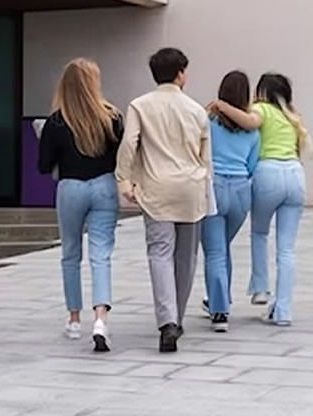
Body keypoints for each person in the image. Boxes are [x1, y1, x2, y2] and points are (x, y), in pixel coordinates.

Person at [116, 48, 212, 353]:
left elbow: (129, 143)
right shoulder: (197, 110)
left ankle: (167, 320)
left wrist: (124, 179)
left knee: (159, 253)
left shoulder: (140, 106)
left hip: (156, 187)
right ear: (181, 73)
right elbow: (205, 157)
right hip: (191, 188)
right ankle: (177, 319)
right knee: (186, 258)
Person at [37, 58, 123, 352]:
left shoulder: (56, 121)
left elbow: (42, 166)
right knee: (101, 255)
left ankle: (74, 318)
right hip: (105, 186)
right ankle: (101, 319)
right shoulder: (112, 117)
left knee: (71, 253)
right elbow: (121, 156)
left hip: (70, 186)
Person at [211, 72, 310, 326]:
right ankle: (284, 311)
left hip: (268, 172)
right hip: (296, 174)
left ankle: (260, 287)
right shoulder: (292, 116)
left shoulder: (261, 109)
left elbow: (249, 122)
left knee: (259, 233)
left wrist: (222, 106)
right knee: (287, 249)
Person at [200, 71, 260, 333]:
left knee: (214, 251)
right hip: (240, 190)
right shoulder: (253, 131)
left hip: (213, 187)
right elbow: (252, 165)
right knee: (223, 246)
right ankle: (221, 298)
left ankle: (219, 310)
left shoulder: (208, 122)